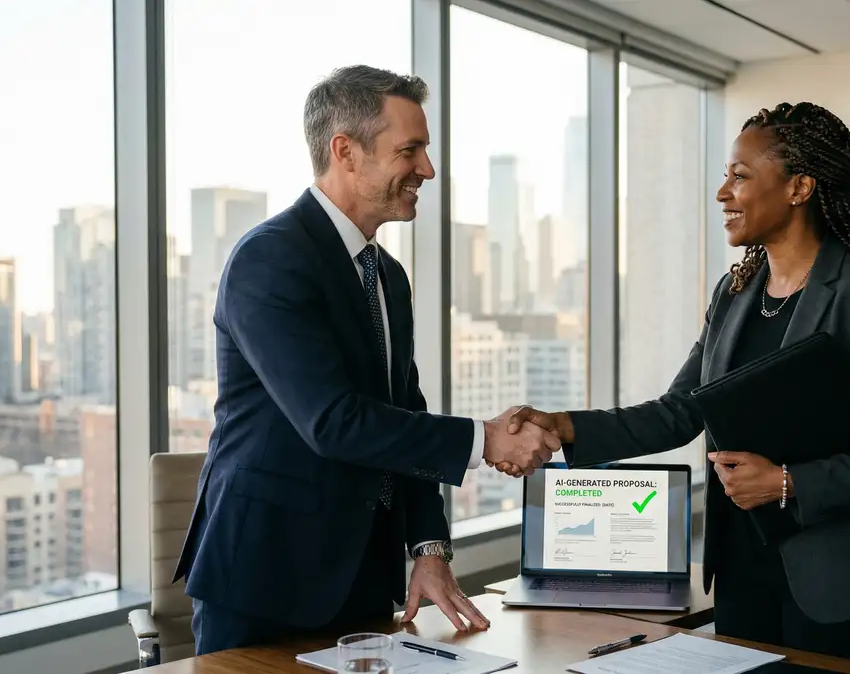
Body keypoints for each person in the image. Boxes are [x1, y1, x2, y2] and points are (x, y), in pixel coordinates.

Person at [498, 102, 850, 666]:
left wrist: (789, 483)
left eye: (739, 176)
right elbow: (680, 411)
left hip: (844, 580)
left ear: (799, 187)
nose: (722, 193)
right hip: (740, 569)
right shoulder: (735, 293)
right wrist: (565, 426)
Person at [173, 65, 560, 656]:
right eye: (411, 150)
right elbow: (333, 421)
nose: (427, 170)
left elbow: (404, 412)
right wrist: (484, 439)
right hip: (264, 578)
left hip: (361, 578)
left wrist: (429, 549)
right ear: (345, 151)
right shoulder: (269, 261)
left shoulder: (388, 276)